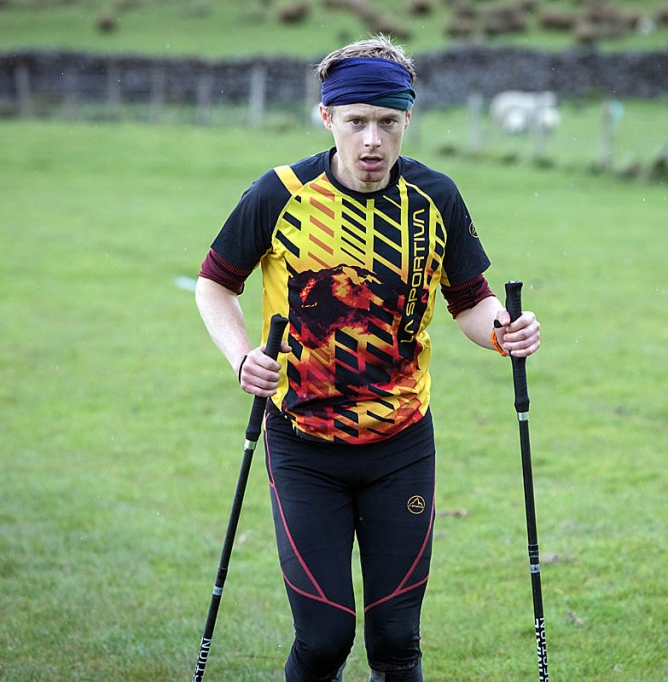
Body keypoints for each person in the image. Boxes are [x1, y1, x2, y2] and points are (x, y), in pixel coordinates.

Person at [194, 35, 541, 682]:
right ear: (327, 118)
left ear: (408, 119)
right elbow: (214, 283)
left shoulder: (436, 197)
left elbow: (472, 301)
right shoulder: (279, 194)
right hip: (303, 444)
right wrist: (242, 358)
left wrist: (504, 331)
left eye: (387, 122)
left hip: (401, 445)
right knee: (325, 639)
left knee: (396, 641)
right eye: (356, 122)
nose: (372, 141)